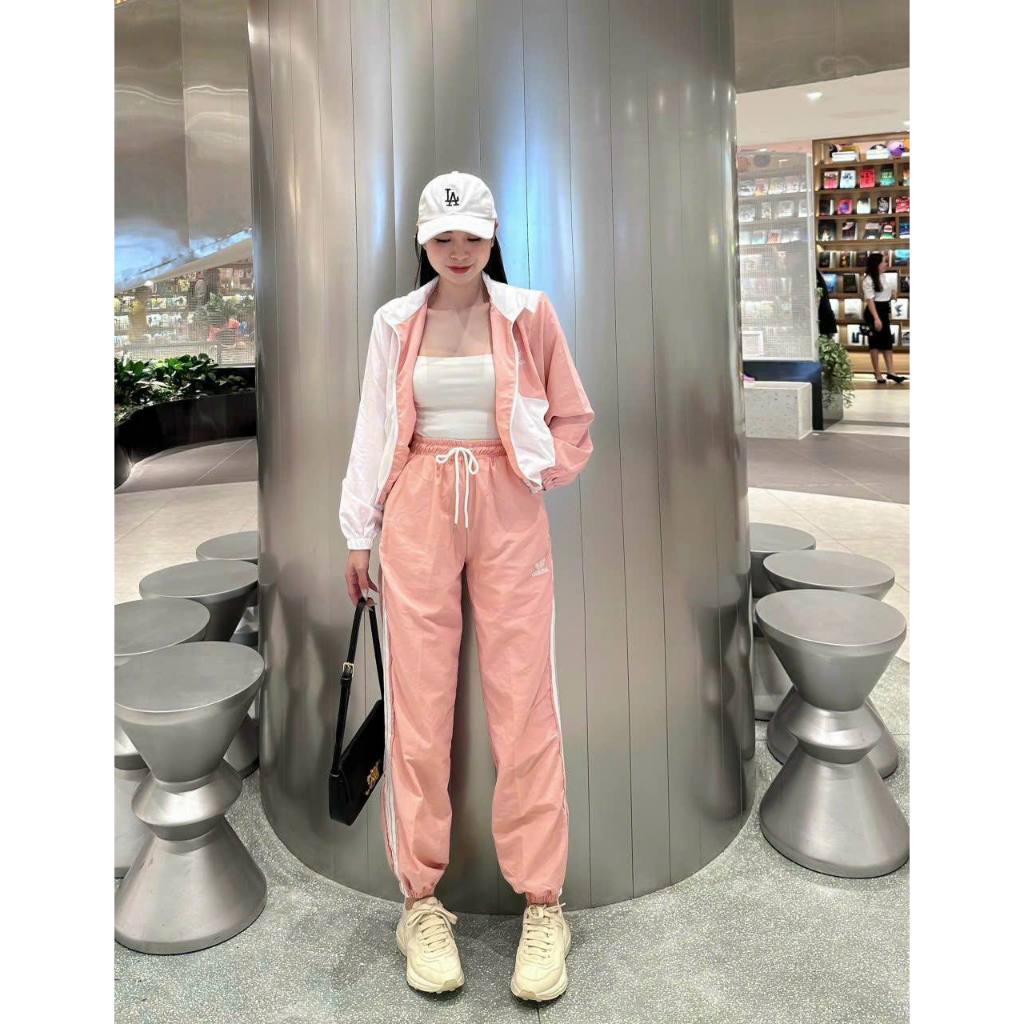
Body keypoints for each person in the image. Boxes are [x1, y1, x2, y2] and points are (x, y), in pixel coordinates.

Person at [338, 171, 594, 1002]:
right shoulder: (395, 322)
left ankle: (544, 904)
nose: (458, 251)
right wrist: (359, 531)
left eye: (472, 237)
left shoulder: (528, 313)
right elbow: (374, 426)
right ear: (423, 241)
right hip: (417, 505)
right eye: (443, 238)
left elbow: (574, 416)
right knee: (417, 705)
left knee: (524, 701)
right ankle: (420, 902)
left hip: (507, 505)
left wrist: (535, 469)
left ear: (492, 239)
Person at [863, 253, 906, 384]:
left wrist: (892, 293)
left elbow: (883, 294)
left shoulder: (882, 276)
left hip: (883, 311)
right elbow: (870, 300)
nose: (886, 264)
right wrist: (876, 318)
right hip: (874, 312)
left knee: (887, 342)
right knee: (875, 344)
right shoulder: (868, 280)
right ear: (876, 264)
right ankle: (877, 373)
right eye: (884, 262)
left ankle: (891, 371)